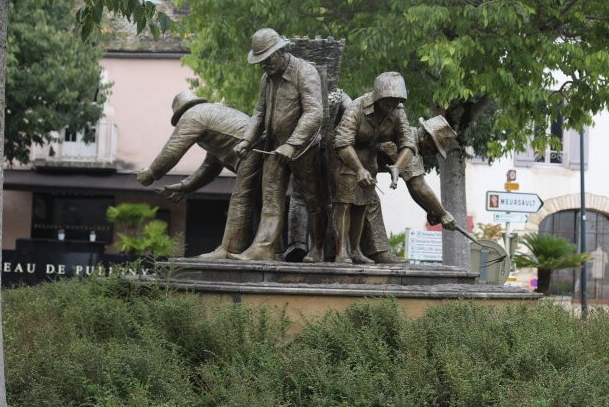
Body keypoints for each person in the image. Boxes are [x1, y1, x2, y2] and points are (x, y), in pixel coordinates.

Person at [233, 28, 327, 261]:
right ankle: (263, 248)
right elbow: (259, 113)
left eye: (267, 59)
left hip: (304, 148)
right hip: (274, 147)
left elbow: (315, 113)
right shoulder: (267, 78)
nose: (264, 66)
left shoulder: (305, 72)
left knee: (313, 199)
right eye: (260, 62)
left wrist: (293, 144)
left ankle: (317, 249)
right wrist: (247, 139)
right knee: (271, 197)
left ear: (281, 51)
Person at [135, 90, 262, 259]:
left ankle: (231, 249)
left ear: (180, 114)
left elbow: (173, 149)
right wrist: (185, 187)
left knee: (241, 197)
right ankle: (269, 249)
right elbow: (210, 167)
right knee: (261, 201)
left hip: (252, 149)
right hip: (260, 147)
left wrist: (151, 173)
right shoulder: (212, 117)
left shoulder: (194, 114)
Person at [331, 72, 416, 264]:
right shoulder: (357, 108)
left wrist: (397, 166)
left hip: (369, 158)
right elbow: (343, 142)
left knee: (362, 203)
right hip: (343, 156)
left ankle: (354, 250)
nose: (391, 107)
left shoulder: (397, 111)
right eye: (387, 102)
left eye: (395, 102)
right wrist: (358, 169)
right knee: (345, 202)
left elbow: (408, 143)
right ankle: (340, 251)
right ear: (377, 97)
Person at [361, 115, 460, 260]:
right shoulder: (408, 142)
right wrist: (443, 213)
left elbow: (413, 187)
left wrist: (431, 210)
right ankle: (379, 253)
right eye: (434, 147)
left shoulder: (410, 138)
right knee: (370, 202)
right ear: (426, 137)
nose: (433, 153)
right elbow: (418, 186)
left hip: (362, 171)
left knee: (368, 200)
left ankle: (368, 252)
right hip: (354, 168)